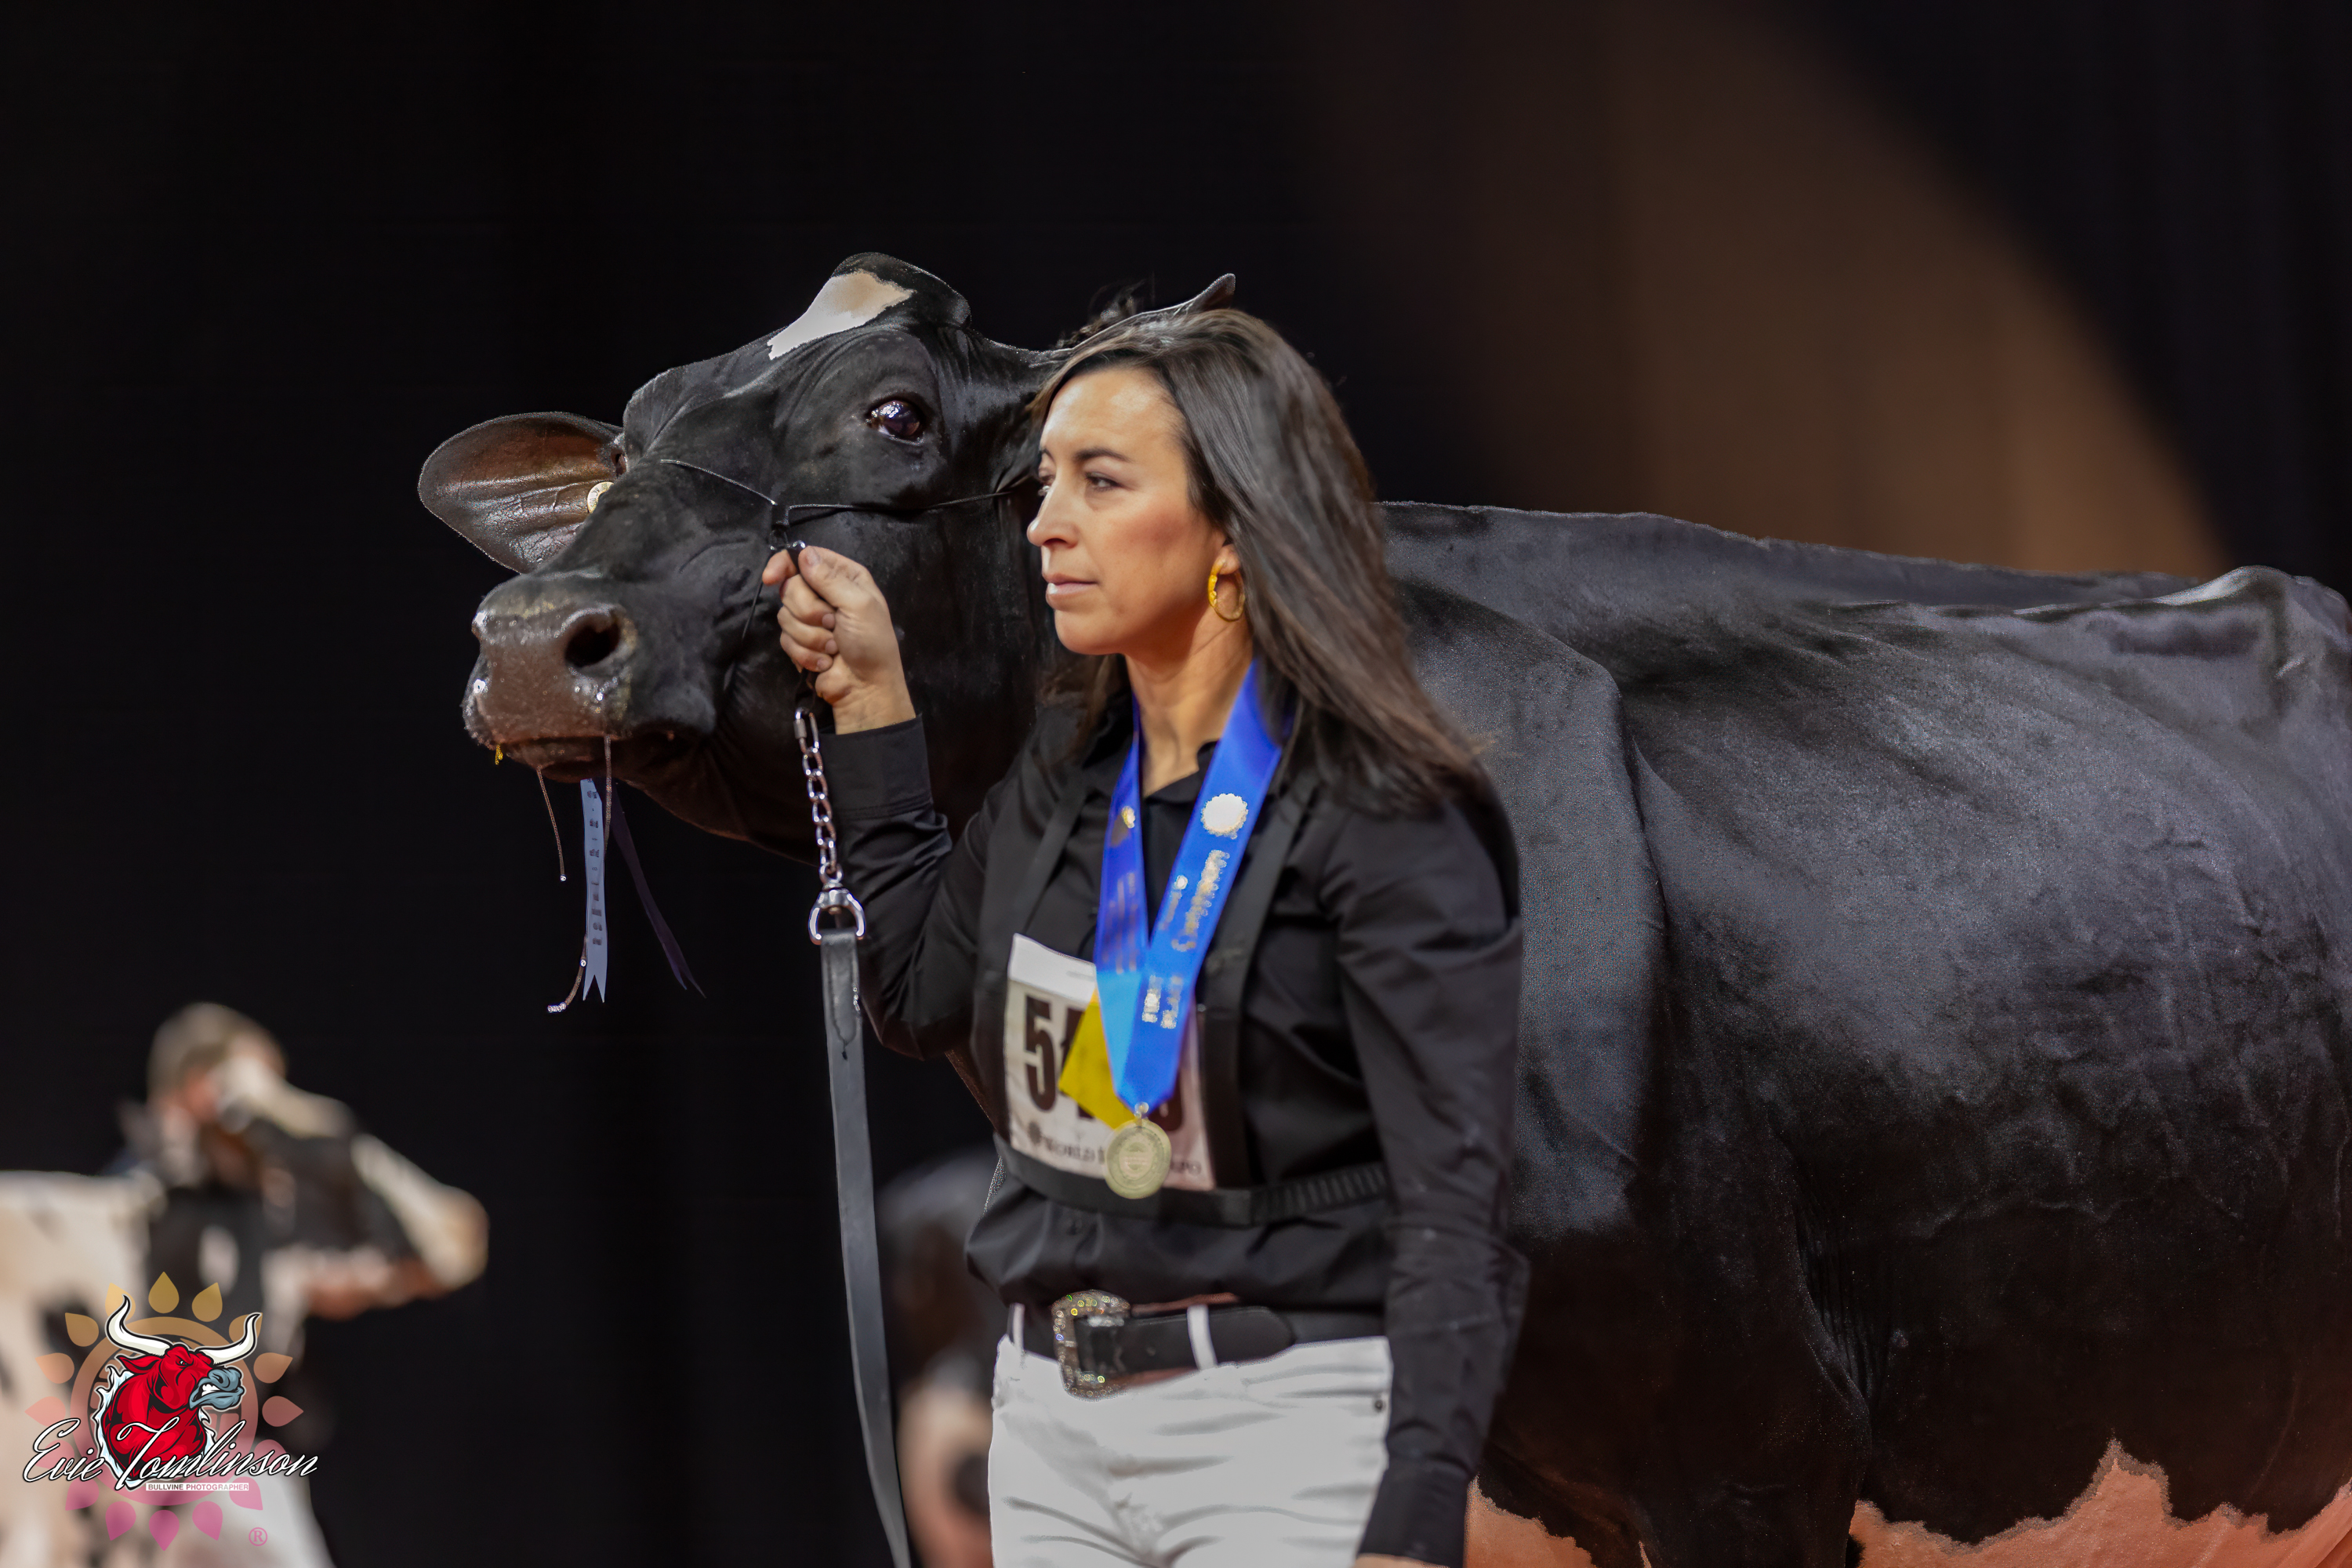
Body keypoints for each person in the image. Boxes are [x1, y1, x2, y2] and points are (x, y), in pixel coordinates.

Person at [764, 309, 1525, 1568]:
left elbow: (1461, 1212)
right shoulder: (1062, 778)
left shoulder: (1388, 817)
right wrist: (875, 707)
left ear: (1235, 527)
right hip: (1050, 1426)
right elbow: (911, 992)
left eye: (1101, 482)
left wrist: (1418, 1512)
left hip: (1285, 1430)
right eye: (1047, 480)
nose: (1045, 523)